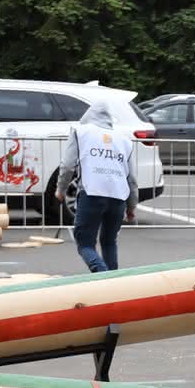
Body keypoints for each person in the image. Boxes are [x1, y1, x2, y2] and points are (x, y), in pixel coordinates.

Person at [55, 99, 134, 273]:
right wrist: (131, 207)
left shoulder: (80, 132)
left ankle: (103, 275)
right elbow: (131, 179)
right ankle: (114, 281)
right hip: (118, 197)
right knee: (109, 241)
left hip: (91, 193)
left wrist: (61, 190)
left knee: (85, 243)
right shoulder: (124, 139)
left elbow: (68, 165)